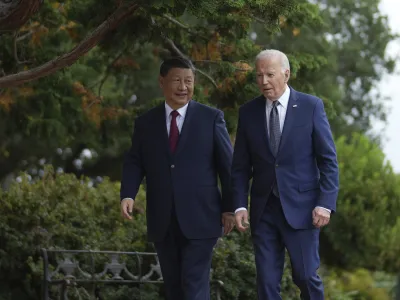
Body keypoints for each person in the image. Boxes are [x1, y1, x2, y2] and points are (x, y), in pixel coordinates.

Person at [120, 57, 235, 300]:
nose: (183, 87)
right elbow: (134, 162)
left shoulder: (211, 118)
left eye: (189, 81)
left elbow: (228, 167)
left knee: (193, 285)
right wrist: (128, 194)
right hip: (163, 219)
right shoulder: (145, 123)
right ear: (162, 82)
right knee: (173, 287)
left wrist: (229, 208)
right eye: (177, 80)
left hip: (202, 218)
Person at [231, 49, 339, 300]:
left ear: (286, 74)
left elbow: (328, 161)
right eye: (259, 76)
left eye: (269, 74)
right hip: (264, 209)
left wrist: (325, 203)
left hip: (303, 210)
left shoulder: (311, 106)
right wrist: (238, 205)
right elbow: (240, 167)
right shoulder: (248, 112)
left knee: (305, 276)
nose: (263, 81)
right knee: (267, 285)